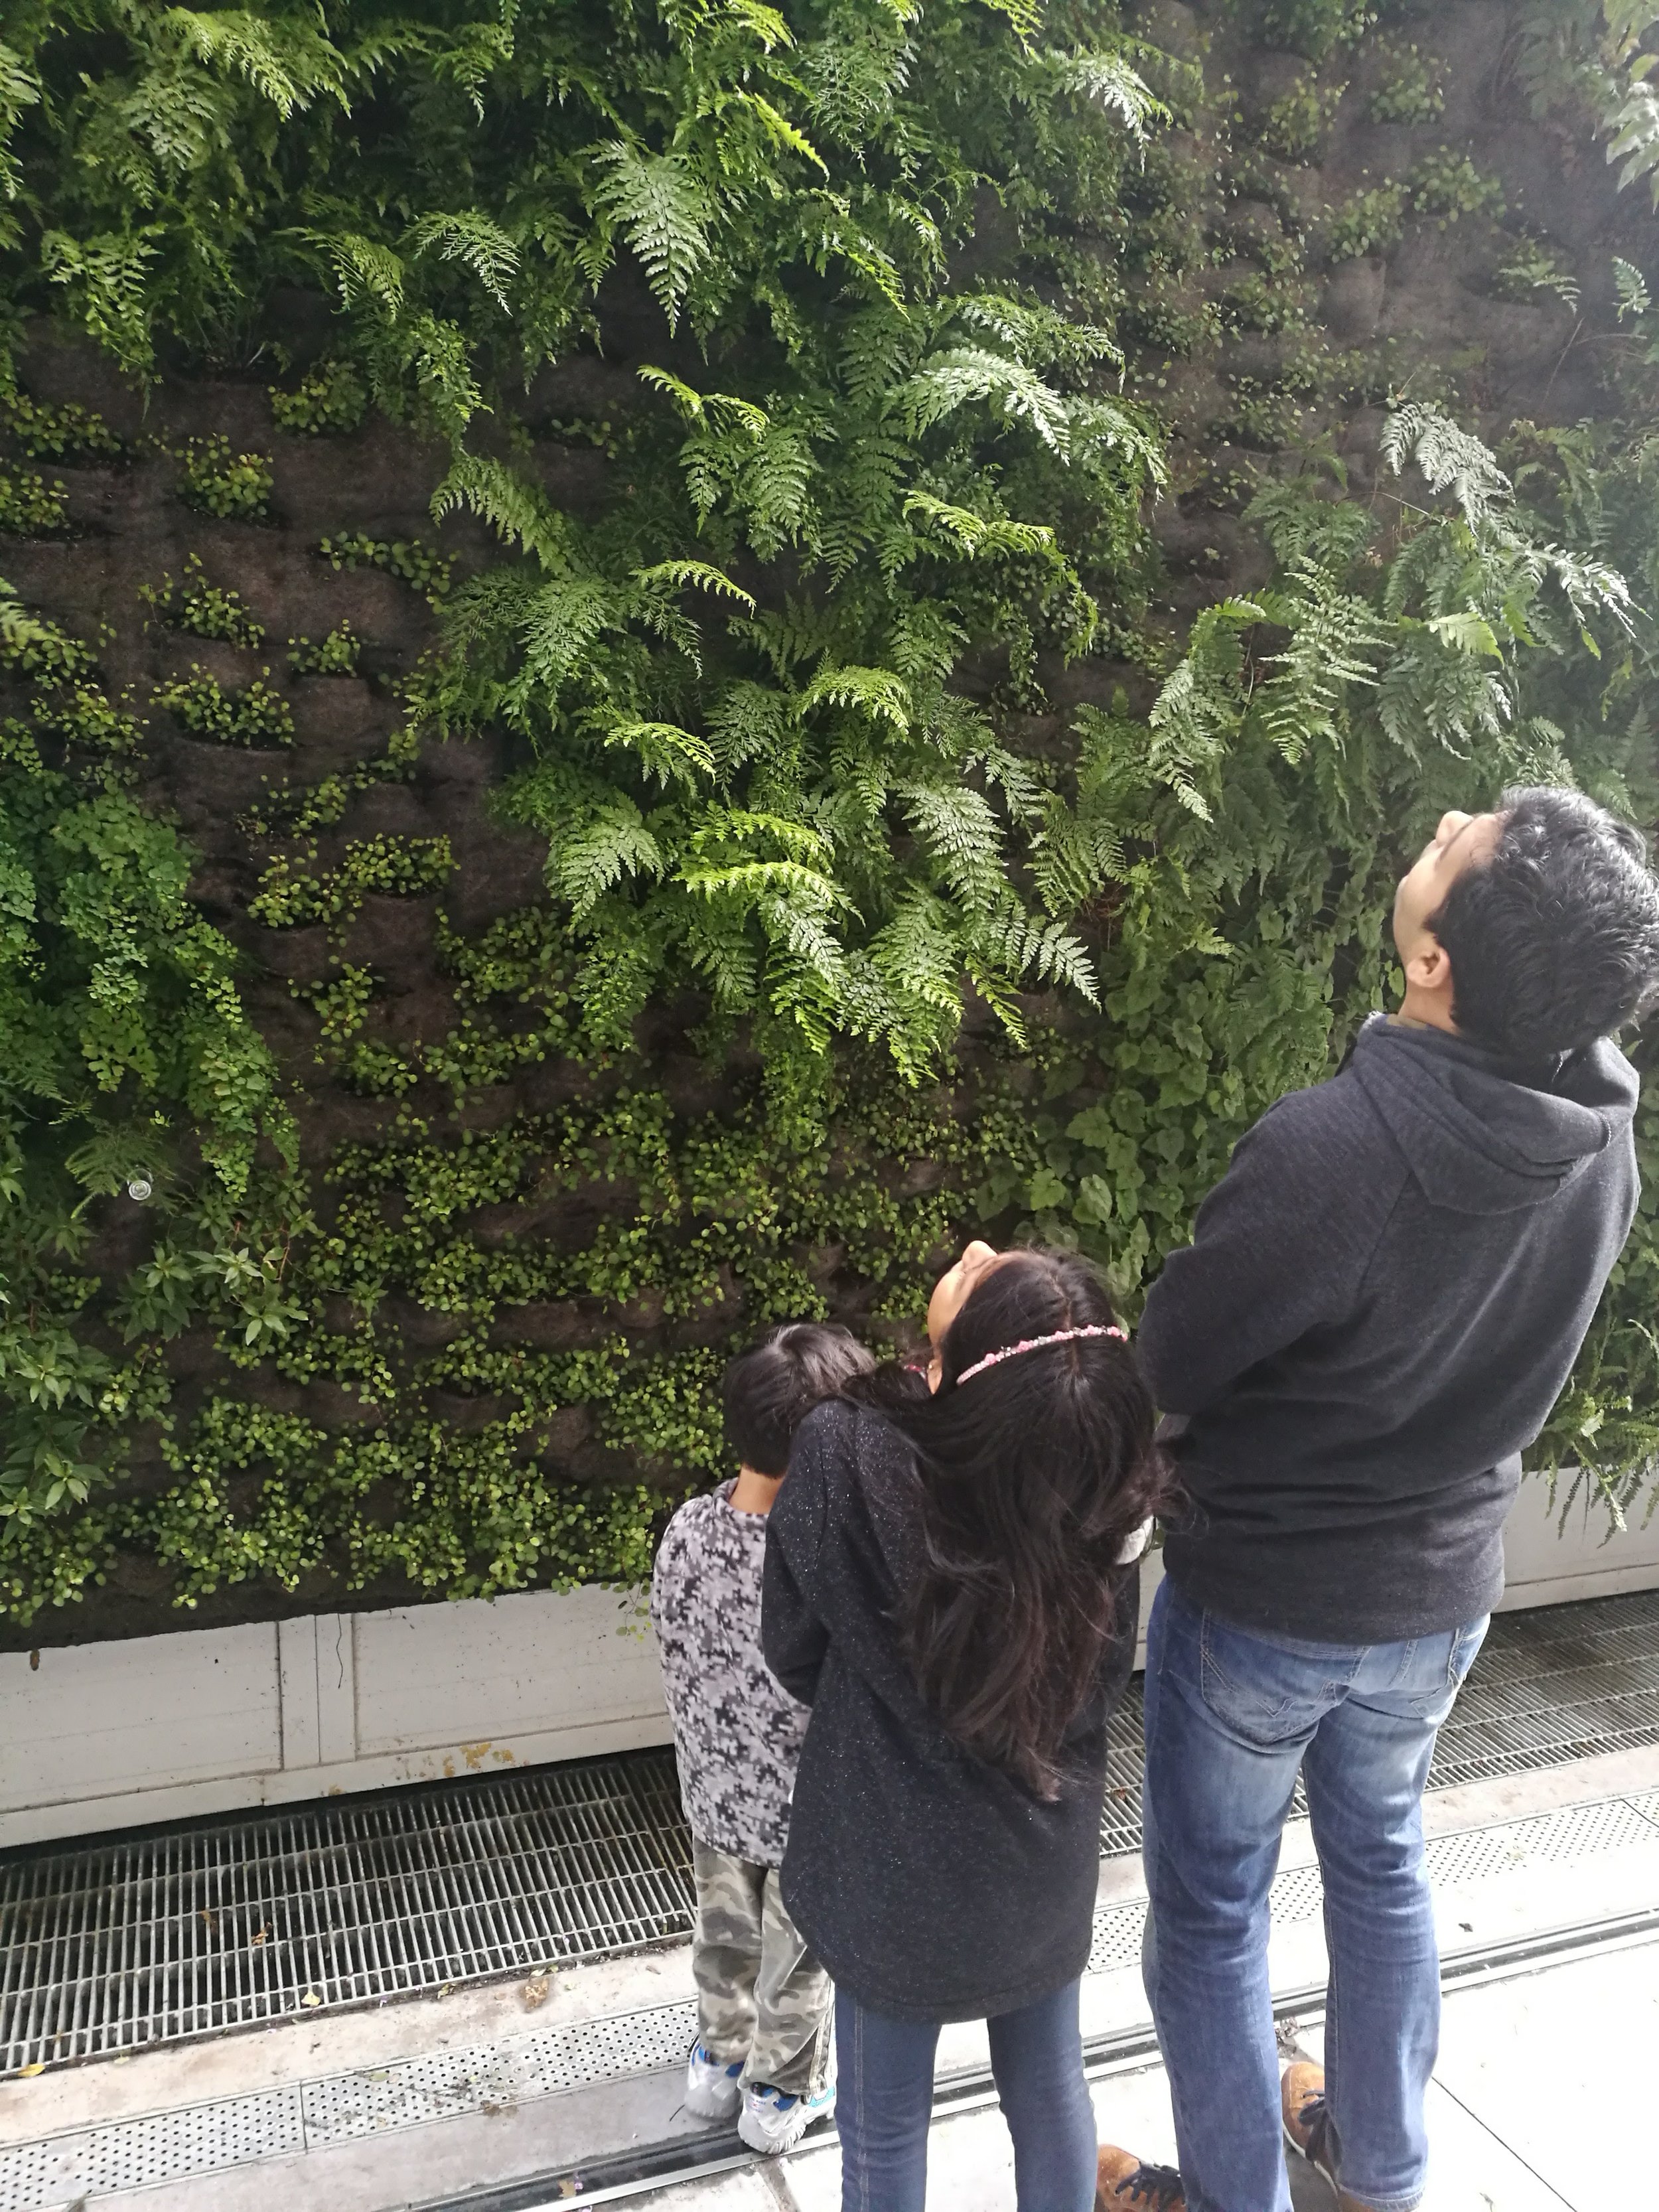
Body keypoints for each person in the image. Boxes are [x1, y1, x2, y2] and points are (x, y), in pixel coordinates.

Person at [1100, 789, 1659, 2212]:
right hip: (1438, 1608)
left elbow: (1167, 1357)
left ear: (1431, 963)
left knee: (1212, 1920)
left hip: (1264, 1614)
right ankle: (1379, 2168)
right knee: (1381, 1863)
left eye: (1447, 845)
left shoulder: (1331, 1150)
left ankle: (1236, 2197)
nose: (1445, 816)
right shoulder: (1597, 1129)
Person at [762, 1243, 1168, 2212]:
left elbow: (793, 1649)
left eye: (990, 1276)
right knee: (1048, 2085)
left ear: (973, 1367)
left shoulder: (845, 1459)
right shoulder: (1104, 1482)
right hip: (1037, 1867)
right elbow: (1105, 1673)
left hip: (887, 1874)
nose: (978, 1252)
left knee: (885, 2128)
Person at [651, 1321, 875, 2154]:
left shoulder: (687, 1528)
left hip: (713, 1790)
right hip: (805, 1809)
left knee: (725, 1935)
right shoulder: (824, 1553)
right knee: (799, 1961)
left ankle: (716, 2065)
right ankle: (779, 2099)